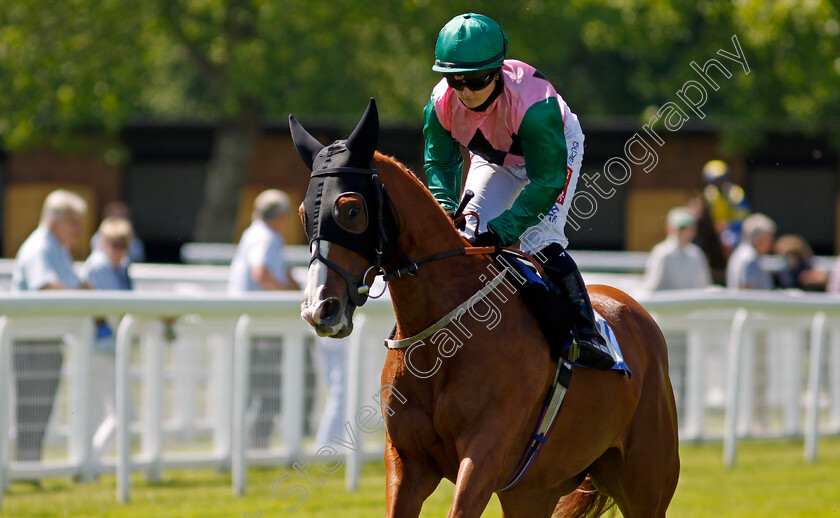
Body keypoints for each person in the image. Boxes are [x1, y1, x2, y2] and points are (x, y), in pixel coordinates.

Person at [422, 12, 612, 368]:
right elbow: (441, 163)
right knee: (465, 232)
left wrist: (507, 229)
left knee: (539, 238)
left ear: (496, 71)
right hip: (494, 159)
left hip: (552, 156)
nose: (465, 91)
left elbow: (546, 181)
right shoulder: (440, 104)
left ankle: (588, 334)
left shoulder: (534, 105)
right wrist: (445, 208)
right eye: (455, 79)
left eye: (476, 80)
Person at [11, 189, 88, 462]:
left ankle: (29, 464)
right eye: (74, 222)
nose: (79, 229)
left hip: (47, 338)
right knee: (32, 406)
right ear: (56, 220)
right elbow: (47, 287)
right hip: (31, 341)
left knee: (41, 406)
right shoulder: (40, 248)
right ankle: (26, 465)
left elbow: (76, 286)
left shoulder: (59, 249)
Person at [228, 189, 299, 449]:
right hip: (261, 325)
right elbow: (261, 273)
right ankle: (256, 448)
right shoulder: (267, 238)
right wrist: (293, 299)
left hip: (251, 322)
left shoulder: (253, 234)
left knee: (253, 389)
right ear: (279, 216)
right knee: (267, 391)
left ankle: (247, 446)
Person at [80, 216, 135, 469]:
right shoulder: (100, 267)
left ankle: (90, 464)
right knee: (104, 413)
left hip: (111, 349)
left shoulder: (119, 268)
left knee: (117, 414)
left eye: (124, 244)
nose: (119, 250)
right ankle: (88, 464)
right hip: (98, 349)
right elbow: (117, 309)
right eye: (114, 244)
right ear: (103, 243)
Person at [643, 207, 712, 292]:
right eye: (682, 228)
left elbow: (704, 286)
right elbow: (651, 288)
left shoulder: (696, 253)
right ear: (669, 228)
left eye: (689, 228)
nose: (686, 232)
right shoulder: (662, 253)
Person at [702, 160, 750, 254]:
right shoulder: (710, 194)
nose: (718, 183)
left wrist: (727, 225)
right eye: (714, 181)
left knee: (730, 239)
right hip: (716, 231)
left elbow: (744, 219)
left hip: (735, 230)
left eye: (720, 179)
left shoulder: (736, 194)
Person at [726, 213, 776, 290]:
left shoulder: (741, 252)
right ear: (760, 239)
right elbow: (745, 288)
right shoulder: (750, 258)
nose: (771, 244)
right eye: (769, 239)